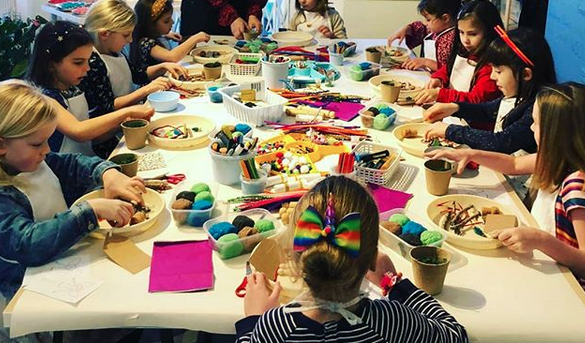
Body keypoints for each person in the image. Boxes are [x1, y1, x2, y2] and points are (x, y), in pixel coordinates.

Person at [236, 176, 468, 343]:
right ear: (372, 258)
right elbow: (455, 335)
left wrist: (253, 321)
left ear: (294, 257)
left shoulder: (275, 328)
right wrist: (395, 284)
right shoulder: (393, 322)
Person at [426, 83, 585, 289]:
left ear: (556, 134)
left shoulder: (576, 187)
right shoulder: (554, 159)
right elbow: (514, 164)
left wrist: (541, 240)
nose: (531, 128)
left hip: (565, 285)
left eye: (536, 124)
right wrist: (470, 154)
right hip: (541, 261)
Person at [0, 80, 143, 304]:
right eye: (37, 144)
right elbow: (28, 244)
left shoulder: (35, 160)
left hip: (64, 262)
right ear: (2, 146)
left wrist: (107, 173)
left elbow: (72, 164)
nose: (47, 150)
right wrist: (90, 211)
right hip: (28, 294)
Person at [26, 21, 153, 157]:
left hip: (85, 161)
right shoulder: (43, 98)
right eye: (78, 62)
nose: (87, 68)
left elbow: (90, 139)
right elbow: (79, 131)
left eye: (87, 61)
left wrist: (123, 124)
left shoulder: (75, 89)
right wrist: (126, 112)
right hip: (64, 168)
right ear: (51, 64)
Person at [423, 26, 556, 154]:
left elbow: (502, 142)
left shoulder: (538, 108)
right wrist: (455, 107)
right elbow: (487, 110)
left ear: (525, 74)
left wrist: (450, 131)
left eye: (498, 71)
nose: (492, 76)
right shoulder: (516, 94)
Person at [84, 0, 187, 103]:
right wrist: (146, 90)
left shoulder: (115, 51)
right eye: (126, 35)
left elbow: (136, 74)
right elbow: (108, 106)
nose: (130, 40)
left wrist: (163, 67)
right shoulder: (93, 62)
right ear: (104, 34)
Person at [415, 0, 502, 107]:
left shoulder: (491, 67)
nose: (465, 40)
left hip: (469, 116)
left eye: (472, 34)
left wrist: (441, 94)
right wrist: (439, 78)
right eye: (461, 32)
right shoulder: (465, 50)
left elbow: (477, 100)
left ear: (489, 32)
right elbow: (449, 68)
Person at [387, 0, 461, 72]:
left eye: (428, 20)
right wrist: (407, 29)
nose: (425, 23)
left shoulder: (456, 39)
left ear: (445, 18)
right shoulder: (439, 28)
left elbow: (453, 71)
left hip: (441, 80)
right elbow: (422, 28)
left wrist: (426, 62)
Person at [129, 0, 209, 69]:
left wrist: (163, 35)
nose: (172, 22)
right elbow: (172, 57)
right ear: (151, 25)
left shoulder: (149, 35)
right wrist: (195, 38)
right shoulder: (145, 43)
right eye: (166, 21)